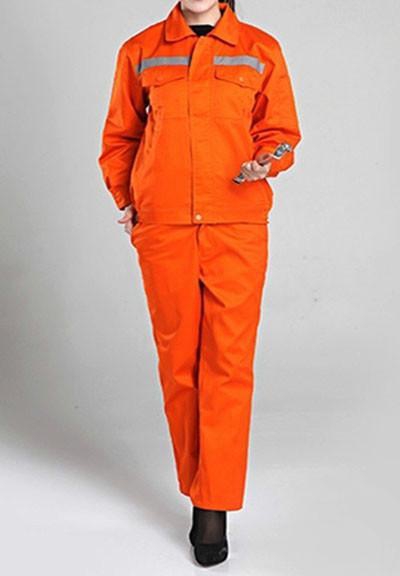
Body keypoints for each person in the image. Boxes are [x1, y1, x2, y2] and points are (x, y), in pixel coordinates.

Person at [98, 0, 301, 567]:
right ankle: (200, 486)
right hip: (163, 225)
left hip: (236, 223)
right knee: (179, 363)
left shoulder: (260, 49)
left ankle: (212, 506)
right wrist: (128, 198)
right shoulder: (140, 51)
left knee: (228, 364)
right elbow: (120, 138)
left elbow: (282, 133)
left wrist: (266, 161)